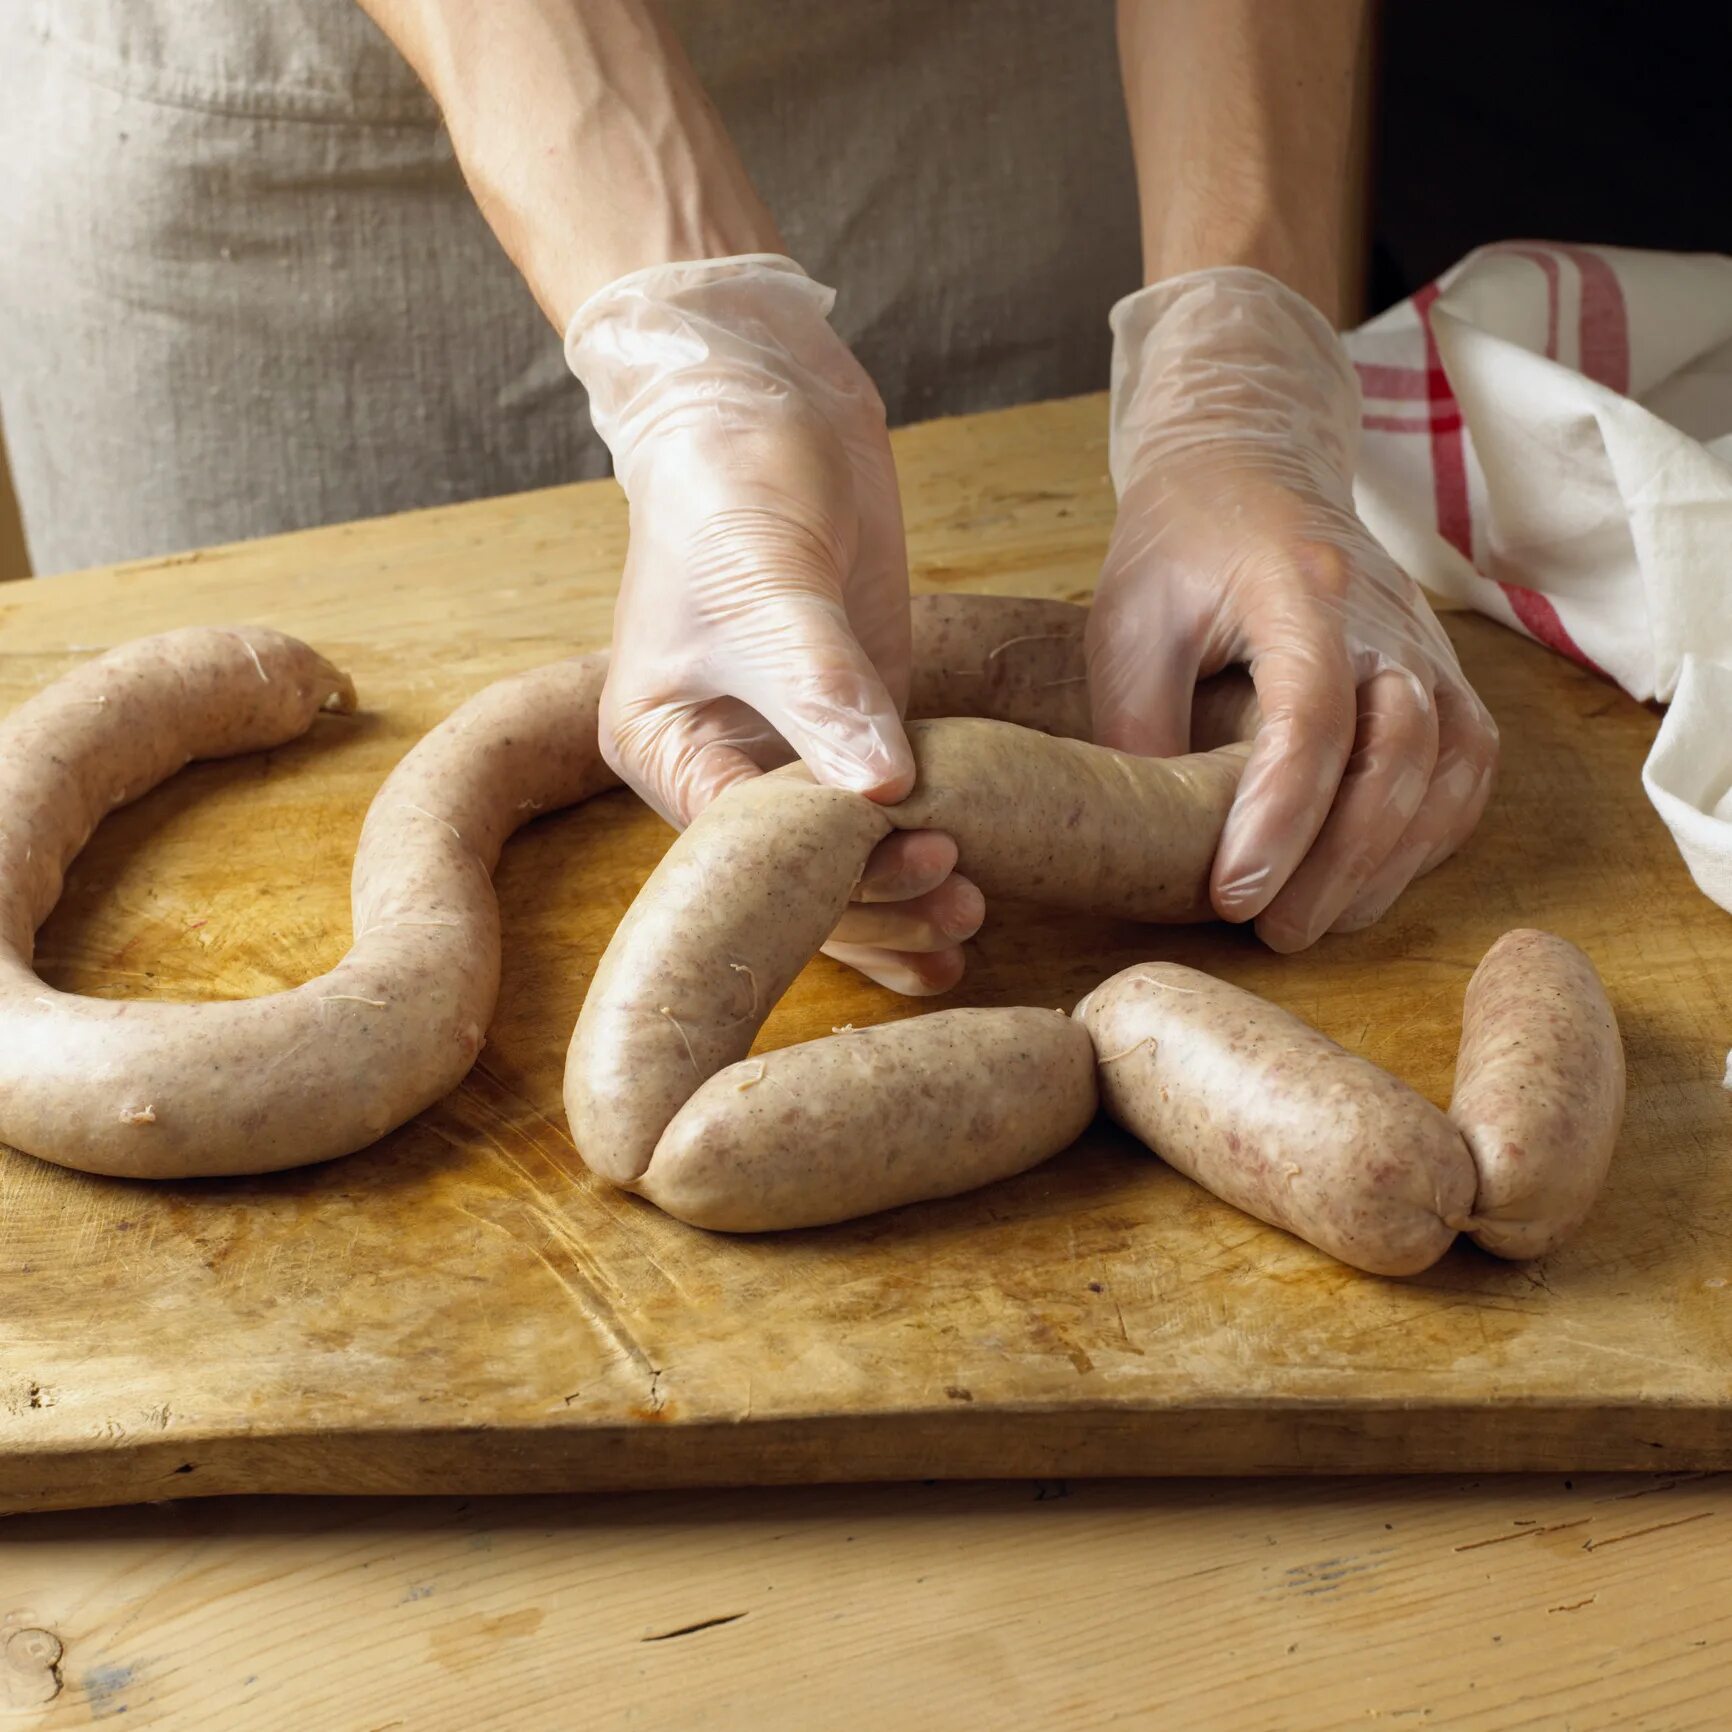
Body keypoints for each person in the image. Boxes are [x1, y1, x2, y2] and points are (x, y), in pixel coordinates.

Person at [0, 1, 1495, 987]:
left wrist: (1237, 342)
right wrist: (693, 344)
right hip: (304, 156)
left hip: (1008, 101)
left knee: (1181, 650)